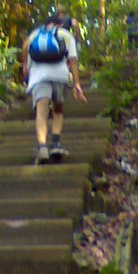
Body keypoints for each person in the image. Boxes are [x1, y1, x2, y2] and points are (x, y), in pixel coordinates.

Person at [22, 10, 87, 164]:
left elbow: (25, 47)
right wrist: (77, 83)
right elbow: (73, 60)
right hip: (60, 76)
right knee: (58, 111)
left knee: (41, 111)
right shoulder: (65, 35)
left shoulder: (35, 34)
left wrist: (25, 65)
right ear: (60, 24)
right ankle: (56, 143)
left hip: (39, 77)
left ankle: (42, 146)